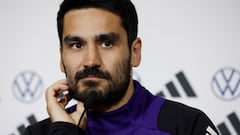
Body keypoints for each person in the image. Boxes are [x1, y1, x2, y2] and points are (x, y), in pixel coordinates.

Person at [24, 0, 219, 135]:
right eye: (77, 45)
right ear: (61, 57)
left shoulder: (186, 126)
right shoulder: (39, 133)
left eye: (106, 43)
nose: (91, 60)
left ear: (135, 52)